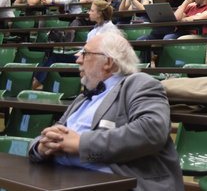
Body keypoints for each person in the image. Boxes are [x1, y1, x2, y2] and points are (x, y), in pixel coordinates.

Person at [28, 32, 184, 191]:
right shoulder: (83, 98)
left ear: (108, 62)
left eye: (85, 54)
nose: (78, 59)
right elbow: (54, 131)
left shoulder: (139, 84)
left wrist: (82, 144)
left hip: (115, 183)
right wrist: (41, 147)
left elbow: (152, 130)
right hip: (64, 178)